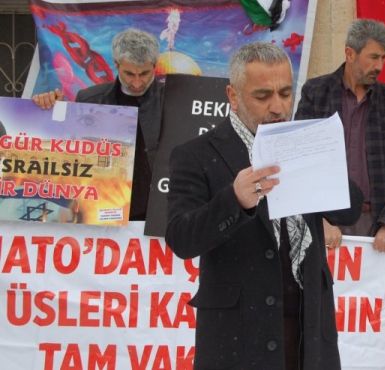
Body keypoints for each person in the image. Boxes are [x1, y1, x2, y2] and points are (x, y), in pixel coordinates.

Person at [165, 42, 362, 370]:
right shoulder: (195, 154)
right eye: (263, 96)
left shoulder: (307, 141)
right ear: (233, 95)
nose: (278, 107)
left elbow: (349, 211)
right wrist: (235, 200)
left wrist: (322, 164)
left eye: (286, 93)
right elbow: (181, 239)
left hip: (309, 331)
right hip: (238, 338)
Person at [295, 19, 385, 251]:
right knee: (316, 287)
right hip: (326, 220)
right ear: (350, 53)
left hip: (378, 222)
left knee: (376, 290)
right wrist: (318, 219)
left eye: (384, 57)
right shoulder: (316, 93)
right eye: (373, 57)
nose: (380, 65)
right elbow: (302, 160)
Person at [32, 28, 163, 221]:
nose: (137, 82)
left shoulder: (173, 99)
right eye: (129, 74)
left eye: (144, 73)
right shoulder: (90, 99)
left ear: (154, 66)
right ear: (116, 65)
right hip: (105, 214)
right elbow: (65, 150)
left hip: (159, 213)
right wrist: (48, 107)